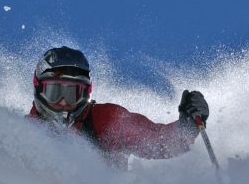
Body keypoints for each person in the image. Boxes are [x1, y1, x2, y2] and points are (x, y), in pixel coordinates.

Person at [29, 46, 209, 167]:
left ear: (86, 94)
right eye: (54, 92)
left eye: (72, 95)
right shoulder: (22, 133)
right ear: (38, 87)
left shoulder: (105, 120)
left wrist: (188, 126)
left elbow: (157, 143)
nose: (62, 102)